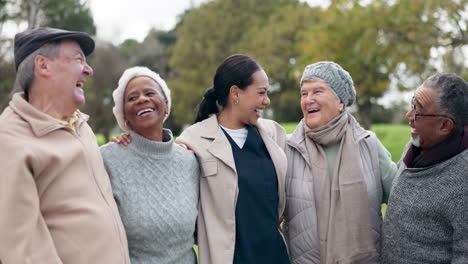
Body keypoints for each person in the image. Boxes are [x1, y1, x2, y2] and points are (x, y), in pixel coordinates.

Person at [0, 27, 129, 263]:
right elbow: (21, 252)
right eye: (79, 59)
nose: (89, 70)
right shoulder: (8, 140)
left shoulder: (81, 125)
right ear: (43, 66)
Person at [176, 54, 290, 264]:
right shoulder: (193, 141)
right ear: (235, 93)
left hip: (275, 256)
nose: (267, 101)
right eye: (261, 93)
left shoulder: (274, 134)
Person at [283, 61, 397, 263]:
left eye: (317, 91)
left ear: (341, 101)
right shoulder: (287, 148)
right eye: (304, 93)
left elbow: (403, 202)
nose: (308, 100)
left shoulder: (369, 144)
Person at [100, 66, 199, 264]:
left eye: (150, 93)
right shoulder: (105, 160)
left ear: (166, 105)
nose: (142, 99)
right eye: (131, 98)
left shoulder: (190, 161)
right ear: (124, 116)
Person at [382, 73, 468, 263]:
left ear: (445, 125)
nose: (408, 115)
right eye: (412, 105)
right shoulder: (414, 147)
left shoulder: (464, 178)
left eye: (418, 111)